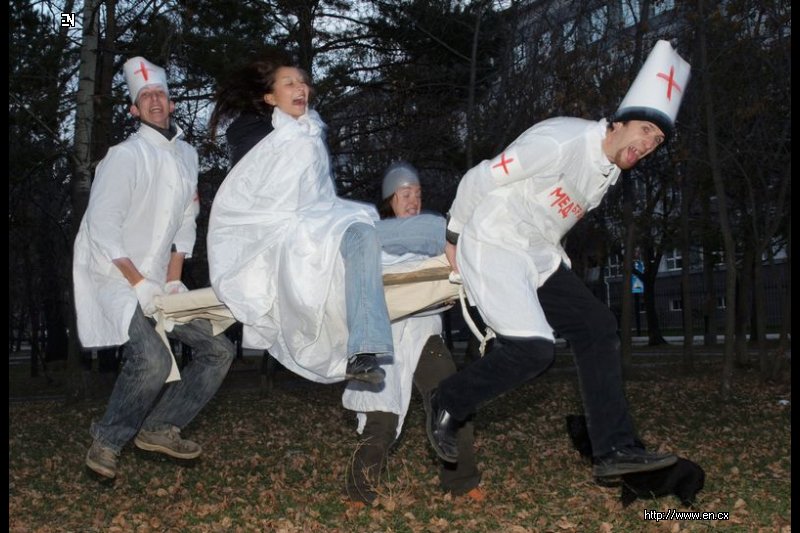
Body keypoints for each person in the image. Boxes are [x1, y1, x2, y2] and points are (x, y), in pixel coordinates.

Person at [428, 40, 691, 479]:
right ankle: (449, 400)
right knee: (533, 351)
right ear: (620, 121)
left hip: (538, 253)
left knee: (598, 327)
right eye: (645, 130)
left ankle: (614, 450)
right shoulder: (560, 140)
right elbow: (481, 176)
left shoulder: (606, 172)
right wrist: (453, 234)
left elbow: (551, 218)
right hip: (494, 239)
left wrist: (558, 262)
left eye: (657, 140)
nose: (649, 145)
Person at [207, 57, 444, 386]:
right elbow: (250, 203)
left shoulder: (310, 138)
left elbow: (320, 198)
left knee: (431, 229)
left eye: (303, 82)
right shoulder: (262, 142)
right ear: (271, 98)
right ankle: (363, 351)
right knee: (362, 232)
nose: (301, 88)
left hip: (325, 227)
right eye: (289, 83)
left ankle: (471, 248)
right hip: (292, 241)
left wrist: (326, 218)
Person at [74, 56, 235, 479]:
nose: (154, 100)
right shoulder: (124, 157)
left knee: (218, 350)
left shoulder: (186, 155)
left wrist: (173, 279)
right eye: (144, 96)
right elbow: (101, 228)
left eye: (159, 93)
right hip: (113, 275)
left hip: (159, 281)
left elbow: (185, 222)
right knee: (152, 360)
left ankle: (162, 426)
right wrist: (139, 283)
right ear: (134, 109)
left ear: (172, 101)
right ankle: (107, 442)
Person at [341, 162, 482, 504]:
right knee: (382, 417)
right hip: (384, 336)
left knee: (451, 398)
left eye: (418, 194)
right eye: (406, 194)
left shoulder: (436, 240)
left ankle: (462, 482)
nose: (414, 200)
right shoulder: (371, 239)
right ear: (390, 199)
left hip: (424, 332)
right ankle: (360, 491)